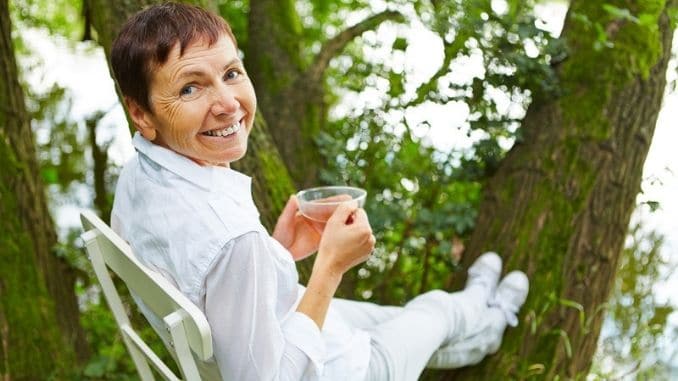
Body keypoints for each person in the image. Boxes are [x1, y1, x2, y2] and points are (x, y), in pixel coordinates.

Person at [109, 3, 529, 380]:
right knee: (439, 308)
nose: (228, 104)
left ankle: (486, 319)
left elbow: (210, 278)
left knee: (402, 319)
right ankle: (490, 308)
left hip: (280, 322)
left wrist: (277, 252)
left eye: (231, 73)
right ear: (141, 113)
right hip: (344, 369)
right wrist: (330, 266)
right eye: (190, 88)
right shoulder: (234, 240)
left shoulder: (138, 177)